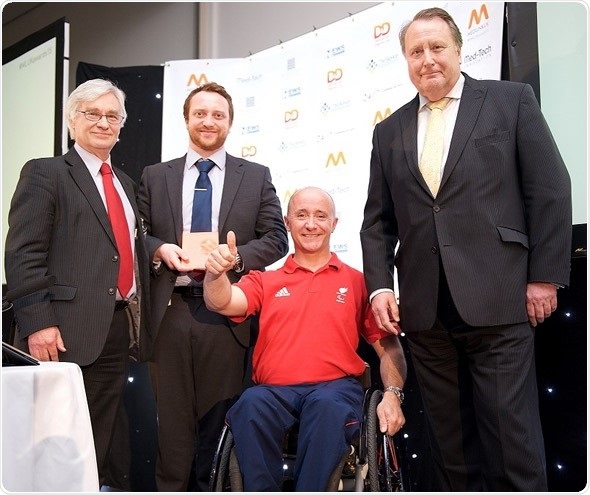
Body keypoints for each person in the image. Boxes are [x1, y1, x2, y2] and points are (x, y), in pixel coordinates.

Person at [360, 7, 572, 492]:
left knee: (512, 447)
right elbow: (377, 222)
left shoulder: (509, 101)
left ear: (458, 50)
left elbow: (551, 189)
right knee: (450, 454)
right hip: (425, 315)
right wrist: (379, 288)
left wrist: (544, 276)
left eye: (437, 47)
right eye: (416, 51)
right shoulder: (388, 131)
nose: (427, 59)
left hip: (500, 300)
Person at [204, 186, 407, 491]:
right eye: (301, 215)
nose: (311, 224)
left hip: (334, 389)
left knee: (327, 408)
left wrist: (392, 394)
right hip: (273, 392)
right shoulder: (266, 280)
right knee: (249, 405)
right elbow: (222, 301)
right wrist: (215, 274)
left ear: (334, 224)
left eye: (320, 216)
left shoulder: (358, 282)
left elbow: (389, 346)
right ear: (287, 223)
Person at [137, 81, 288, 491]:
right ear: (186, 119)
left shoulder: (255, 176)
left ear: (230, 122)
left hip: (226, 314)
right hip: (170, 311)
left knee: (218, 427)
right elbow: (137, 236)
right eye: (200, 113)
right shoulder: (155, 176)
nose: (208, 121)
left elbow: (277, 238)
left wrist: (233, 259)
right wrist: (159, 249)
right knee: (171, 429)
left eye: (218, 115)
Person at [4, 78, 153, 487]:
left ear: (121, 125)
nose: (104, 123)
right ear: (72, 120)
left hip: (114, 328)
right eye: (93, 114)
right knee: (52, 441)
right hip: (60, 332)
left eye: (113, 116)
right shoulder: (46, 173)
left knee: (97, 439)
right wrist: (38, 323)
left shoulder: (125, 183)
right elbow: (23, 253)